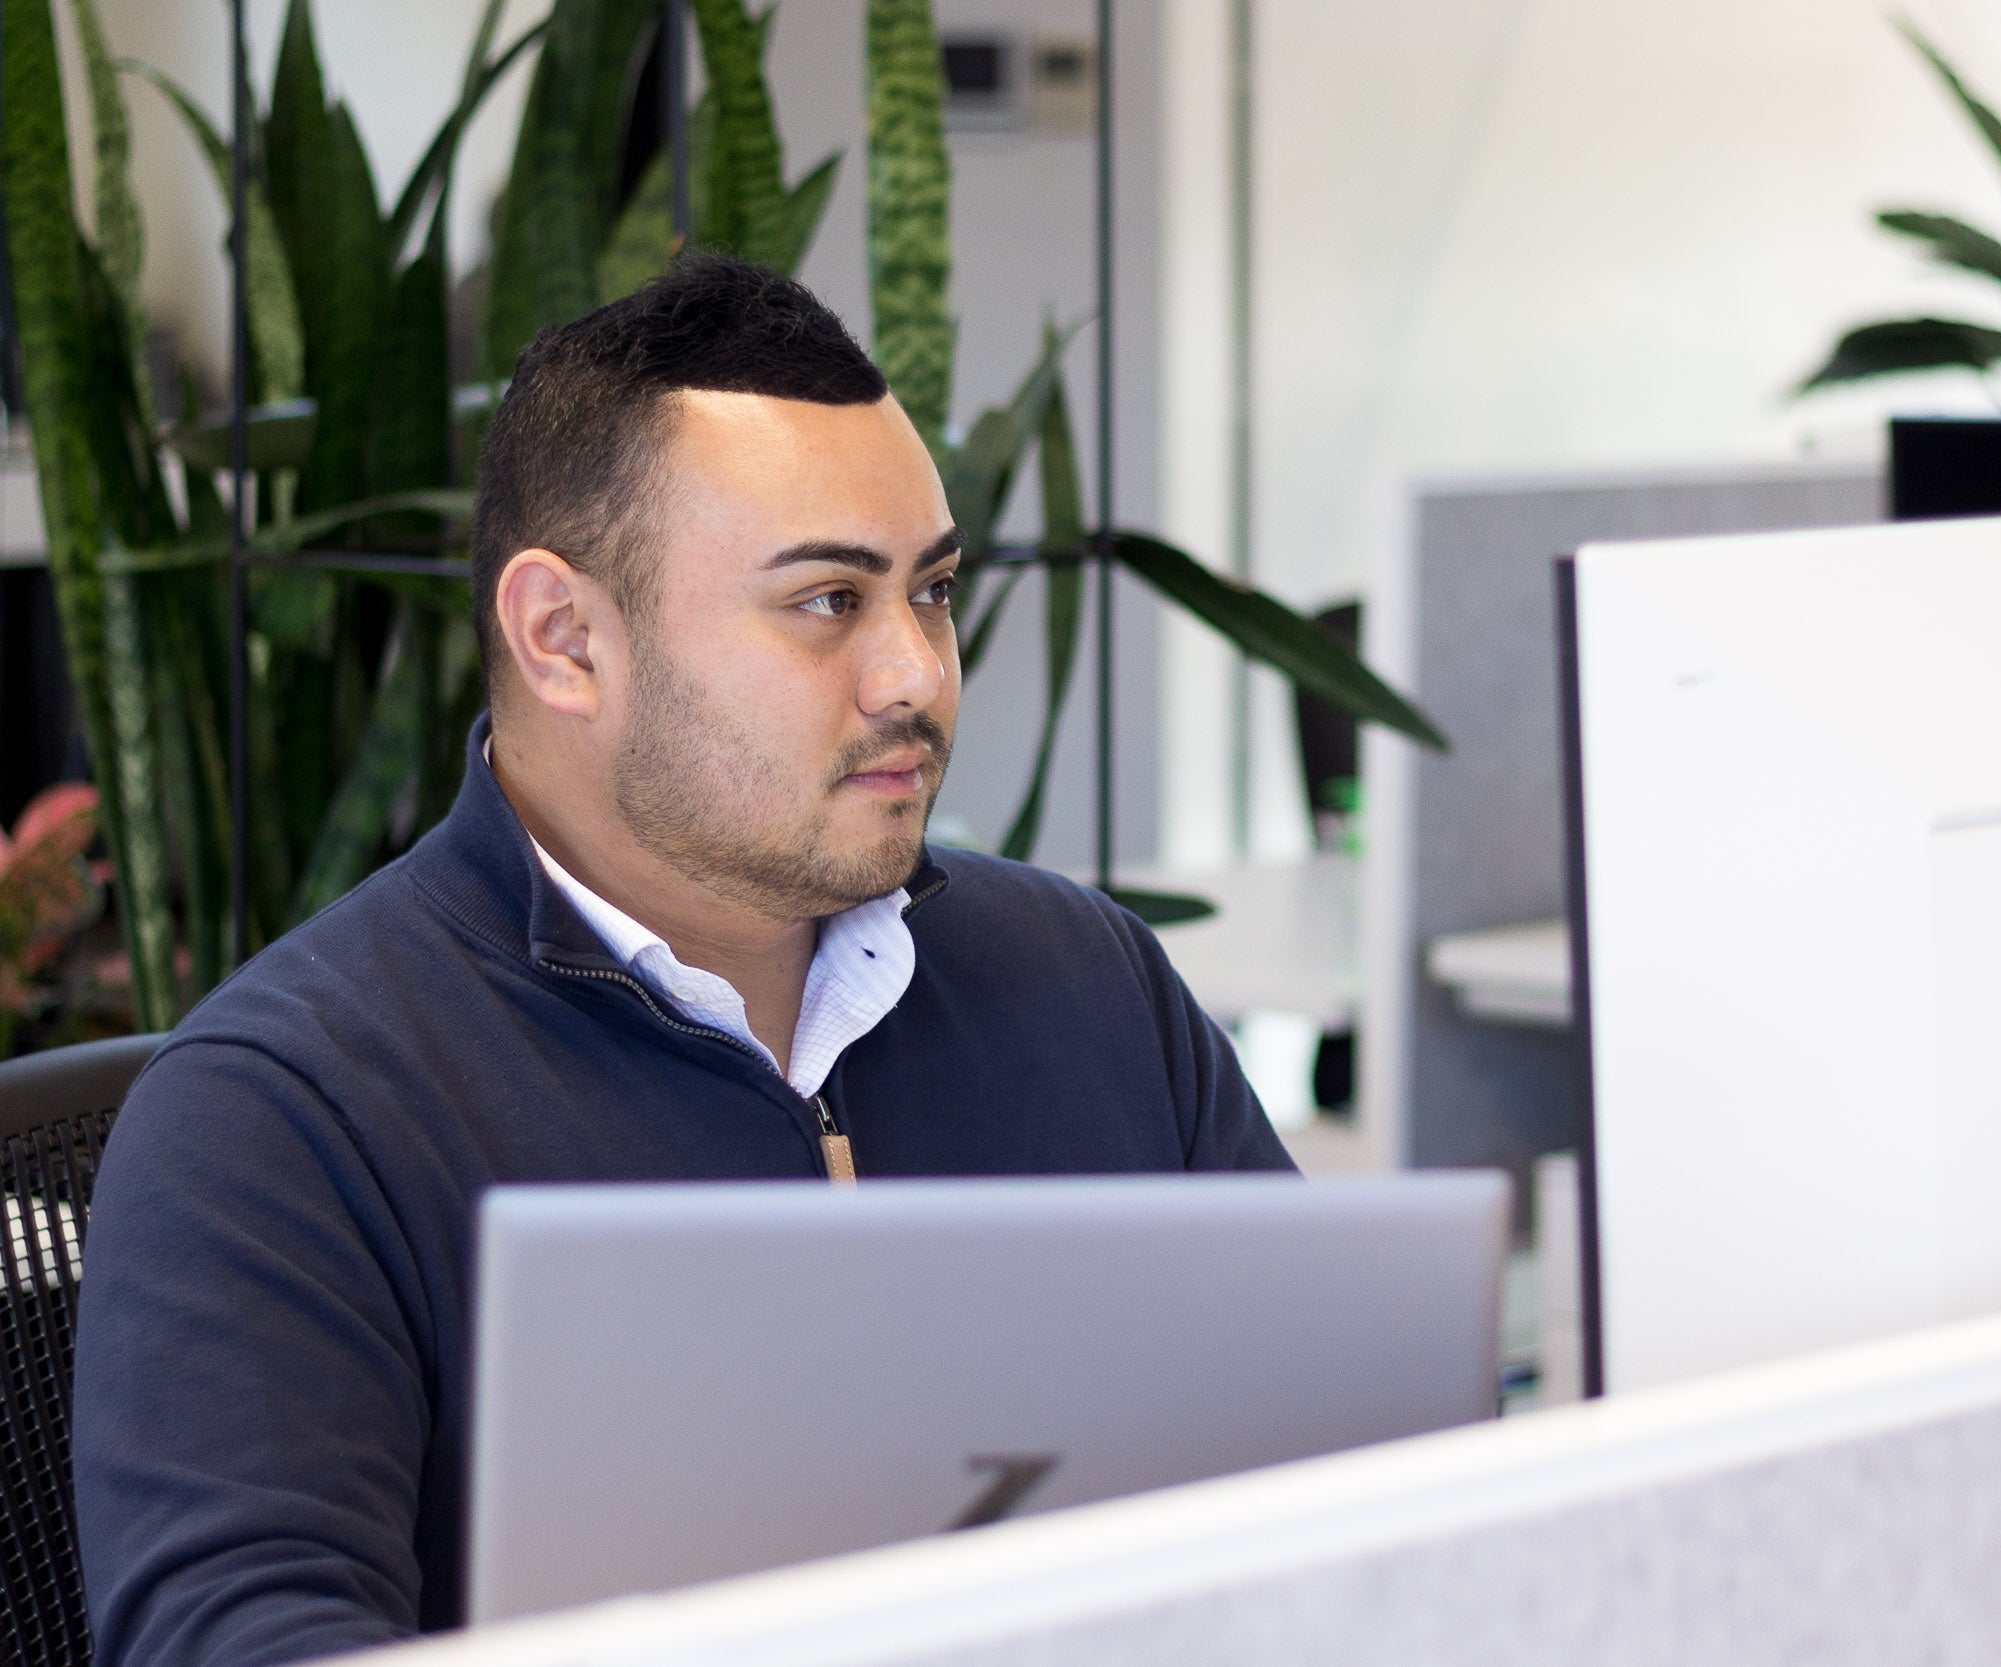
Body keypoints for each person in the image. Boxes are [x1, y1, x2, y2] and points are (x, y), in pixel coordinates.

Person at [71, 253, 1292, 1667]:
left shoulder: (1088, 984)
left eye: (934, 591)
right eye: (829, 600)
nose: (914, 674)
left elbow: (1355, 1505)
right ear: (565, 638)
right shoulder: (283, 1115)